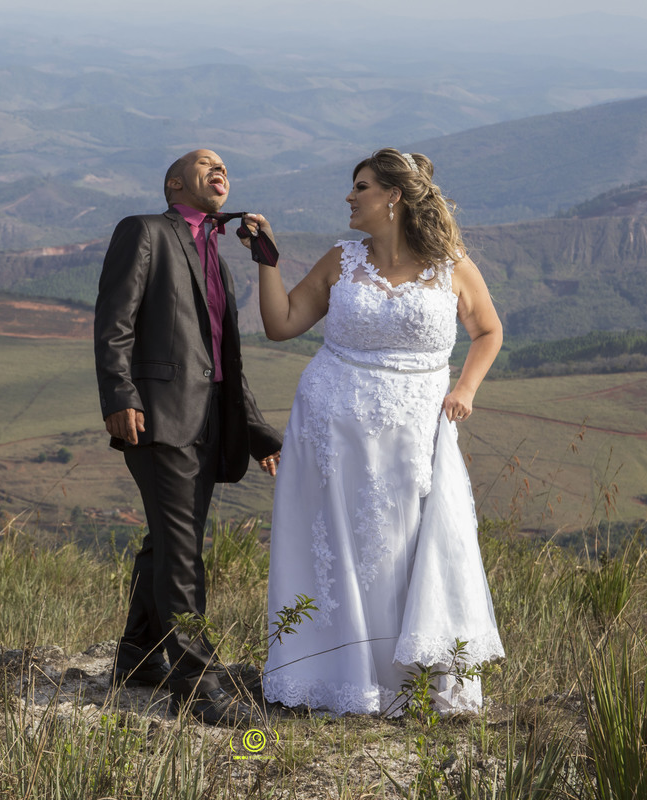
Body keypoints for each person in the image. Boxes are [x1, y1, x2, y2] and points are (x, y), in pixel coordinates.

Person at [248, 148, 505, 715]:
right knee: (336, 551)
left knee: (403, 547)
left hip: (415, 433)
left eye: (360, 186)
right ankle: (336, 677)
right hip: (330, 432)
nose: (349, 196)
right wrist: (267, 259)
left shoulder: (451, 266)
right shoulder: (341, 260)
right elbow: (281, 324)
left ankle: (407, 679)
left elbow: (488, 331)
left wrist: (465, 389)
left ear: (394, 196)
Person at [94, 149, 283, 725]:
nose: (218, 167)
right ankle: (196, 683)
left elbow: (224, 362)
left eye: (224, 164)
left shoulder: (218, 258)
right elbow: (114, 321)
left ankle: (138, 657)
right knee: (182, 552)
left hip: (209, 423)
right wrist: (120, 395)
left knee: (167, 542)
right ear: (175, 184)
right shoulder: (145, 231)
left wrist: (257, 434)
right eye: (204, 162)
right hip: (158, 417)